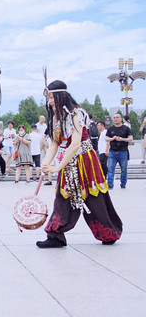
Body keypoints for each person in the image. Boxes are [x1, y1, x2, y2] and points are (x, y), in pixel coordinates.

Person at [37, 80, 122, 248]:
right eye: (48, 98)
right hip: (68, 161)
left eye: (52, 97)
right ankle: (55, 235)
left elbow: (75, 144)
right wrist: (46, 164)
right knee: (63, 197)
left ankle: (108, 233)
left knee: (95, 197)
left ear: (61, 95)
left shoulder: (77, 114)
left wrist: (58, 166)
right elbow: (54, 143)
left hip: (85, 160)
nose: (50, 101)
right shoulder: (55, 117)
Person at [106, 113, 133, 189]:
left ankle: (123, 183)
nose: (115, 119)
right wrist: (112, 138)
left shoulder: (126, 128)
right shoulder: (110, 128)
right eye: (114, 117)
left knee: (124, 169)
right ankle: (110, 184)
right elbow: (106, 138)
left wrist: (122, 139)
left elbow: (131, 138)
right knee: (110, 168)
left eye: (117, 117)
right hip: (112, 151)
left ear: (121, 119)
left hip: (123, 151)